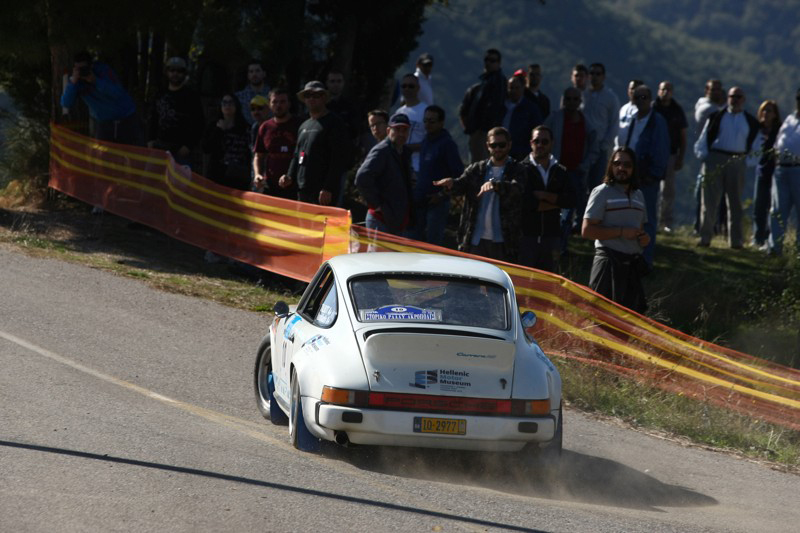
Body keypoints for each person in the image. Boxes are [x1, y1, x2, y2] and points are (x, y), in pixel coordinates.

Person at [433, 127, 524, 262]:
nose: (497, 149)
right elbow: (460, 185)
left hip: (505, 242)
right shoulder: (476, 169)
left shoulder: (517, 169)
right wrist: (450, 184)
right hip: (475, 239)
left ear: (509, 145)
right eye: (493, 145)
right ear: (488, 146)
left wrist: (496, 186)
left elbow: (518, 189)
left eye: (502, 145)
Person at [582, 147, 650, 313]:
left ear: (633, 168)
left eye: (627, 165)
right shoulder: (601, 192)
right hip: (607, 262)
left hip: (631, 266)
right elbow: (587, 230)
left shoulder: (639, 195)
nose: (621, 168)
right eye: (617, 163)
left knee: (628, 321)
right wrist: (621, 232)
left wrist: (644, 239)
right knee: (598, 317)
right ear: (610, 166)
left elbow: (640, 229)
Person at [695, 87, 760, 249]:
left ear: (743, 99)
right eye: (732, 96)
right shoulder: (717, 116)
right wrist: (705, 158)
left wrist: (747, 162)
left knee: (735, 203)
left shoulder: (750, 122)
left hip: (738, 160)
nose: (735, 99)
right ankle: (705, 237)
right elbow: (704, 138)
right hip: (715, 157)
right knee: (709, 201)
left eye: (738, 96)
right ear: (728, 98)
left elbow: (757, 146)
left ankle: (736, 241)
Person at [616, 84, 670, 268]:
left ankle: (645, 261)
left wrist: (653, 174)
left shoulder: (657, 122)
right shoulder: (633, 118)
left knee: (647, 219)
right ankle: (627, 256)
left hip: (646, 177)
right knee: (627, 216)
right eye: (637, 97)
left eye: (644, 97)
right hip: (628, 175)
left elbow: (662, 150)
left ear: (651, 99)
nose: (640, 101)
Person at [544, 87, 598, 252]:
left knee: (568, 213)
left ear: (580, 101)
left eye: (575, 99)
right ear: (563, 100)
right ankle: (549, 246)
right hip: (555, 172)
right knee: (551, 210)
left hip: (576, 173)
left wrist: (585, 165)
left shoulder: (586, 122)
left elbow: (594, 147)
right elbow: (542, 137)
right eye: (568, 98)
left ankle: (561, 247)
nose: (571, 102)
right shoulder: (555, 118)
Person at [280, 81, 349, 206]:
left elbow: (338, 159)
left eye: (316, 95)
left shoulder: (335, 123)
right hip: (302, 188)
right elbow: (297, 154)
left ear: (324, 98)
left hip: (323, 192)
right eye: (307, 95)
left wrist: (328, 187)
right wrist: (289, 176)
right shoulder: (303, 125)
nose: (311, 99)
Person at [518, 125, 575, 271]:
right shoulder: (521, 170)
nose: (540, 145)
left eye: (544, 141)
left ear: (552, 143)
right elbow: (527, 204)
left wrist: (545, 196)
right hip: (526, 237)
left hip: (552, 236)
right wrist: (557, 202)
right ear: (531, 143)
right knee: (523, 279)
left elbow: (570, 200)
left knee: (548, 280)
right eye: (536, 141)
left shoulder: (561, 171)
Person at [407, 105, 464, 246]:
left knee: (433, 242)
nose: (428, 125)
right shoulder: (426, 140)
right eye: (425, 121)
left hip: (437, 203)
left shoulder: (447, 145)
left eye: (432, 121)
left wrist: (441, 195)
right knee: (412, 239)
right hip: (420, 199)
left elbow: (458, 174)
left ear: (441, 123)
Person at [61, 50, 142, 145]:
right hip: (103, 122)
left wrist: (95, 81)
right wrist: (73, 83)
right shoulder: (75, 82)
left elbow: (117, 93)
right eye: (79, 69)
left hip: (126, 117)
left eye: (84, 68)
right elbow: (66, 103)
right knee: (103, 153)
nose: (82, 72)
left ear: (91, 66)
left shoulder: (103, 71)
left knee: (131, 150)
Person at [354, 113, 413, 236]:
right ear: (388, 130)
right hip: (380, 220)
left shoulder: (404, 152)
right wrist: (377, 205)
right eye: (397, 129)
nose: (401, 134)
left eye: (405, 130)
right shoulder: (382, 151)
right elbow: (362, 178)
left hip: (396, 220)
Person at [146, 57, 204, 166]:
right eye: (172, 70)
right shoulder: (160, 94)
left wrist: (189, 146)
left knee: (179, 177)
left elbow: (199, 123)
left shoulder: (191, 96)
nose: (175, 74)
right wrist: (150, 139)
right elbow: (153, 117)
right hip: (159, 146)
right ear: (167, 72)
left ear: (184, 73)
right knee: (151, 175)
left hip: (180, 149)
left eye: (179, 71)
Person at [252, 88, 302, 199]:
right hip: (270, 186)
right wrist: (257, 174)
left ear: (289, 104)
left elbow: (304, 155)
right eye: (275, 102)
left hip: (295, 187)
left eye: (282, 101)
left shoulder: (300, 126)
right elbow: (258, 156)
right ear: (269, 104)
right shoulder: (265, 127)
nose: (278, 105)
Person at [459, 49, 507, 163]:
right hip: (479, 132)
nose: (488, 63)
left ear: (499, 63)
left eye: (492, 60)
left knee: (481, 165)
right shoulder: (485, 82)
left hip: (484, 133)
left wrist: (483, 129)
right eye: (486, 60)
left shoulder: (497, 81)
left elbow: (495, 107)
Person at [768, 89, 800, 255]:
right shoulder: (789, 119)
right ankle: (775, 247)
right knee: (778, 210)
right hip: (781, 169)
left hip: (798, 169)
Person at [653, 81, 688, 233]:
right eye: (663, 89)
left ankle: (666, 222)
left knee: (668, 190)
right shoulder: (652, 108)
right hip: (653, 154)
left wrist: (681, 157)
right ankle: (649, 219)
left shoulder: (677, 110)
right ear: (658, 91)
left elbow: (683, 136)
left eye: (668, 89)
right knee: (650, 188)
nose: (665, 92)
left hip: (671, 154)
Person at [693, 79, 727, 233]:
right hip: (709, 154)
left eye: (719, 89)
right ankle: (703, 225)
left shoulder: (712, 107)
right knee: (705, 192)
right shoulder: (707, 109)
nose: (716, 92)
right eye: (713, 89)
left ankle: (709, 225)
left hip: (711, 154)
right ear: (707, 90)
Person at [583, 63, 620, 200]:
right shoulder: (582, 95)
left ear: (603, 76)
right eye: (592, 73)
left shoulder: (610, 98)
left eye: (598, 74)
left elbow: (614, 123)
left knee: (598, 185)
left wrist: (605, 145)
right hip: (582, 147)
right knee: (581, 185)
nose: (595, 76)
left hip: (600, 149)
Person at [201, 93, 251, 190]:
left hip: (238, 175)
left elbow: (248, 152)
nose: (227, 106)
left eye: (231, 103)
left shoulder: (245, 128)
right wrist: (219, 130)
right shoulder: (214, 125)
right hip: (217, 174)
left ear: (236, 105)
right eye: (224, 103)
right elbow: (206, 148)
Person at [751, 100, 781, 248]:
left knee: (772, 207)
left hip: (776, 173)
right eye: (763, 110)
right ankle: (757, 238)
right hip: (761, 172)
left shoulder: (779, 131)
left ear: (775, 114)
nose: (765, 113)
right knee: (759, 206)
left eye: (769, 111)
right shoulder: (756, 129)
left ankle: (769, 239)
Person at [503, 75, 543, 161]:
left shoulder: (531, 109)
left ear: (523, 88)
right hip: (501, 151)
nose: (514, 91)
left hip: (521, 154)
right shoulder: (501, 107)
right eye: (511, 88)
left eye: (517, 88)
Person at [395, 73, 427, 173]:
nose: (407, 89)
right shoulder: (399, 112)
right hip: (400, 166)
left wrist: (407, 148)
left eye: (411, 86)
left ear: (418, 88)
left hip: (419, 166)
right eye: (404, 86)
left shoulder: (425, 111)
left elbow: (430, 141)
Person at [236, 60, 270, 125]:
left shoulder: (273, 96)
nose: (254, 74)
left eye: (257, 71)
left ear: (264, 73)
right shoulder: (239, 97)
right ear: (248, 75)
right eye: (251, 71)